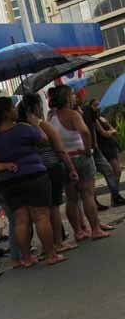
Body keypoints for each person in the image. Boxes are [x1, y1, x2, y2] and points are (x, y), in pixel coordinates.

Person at [0, 97, 66, 267]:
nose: (15, 111)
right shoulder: (23, 128)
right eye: (13, 108)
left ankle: (26, 258)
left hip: (9, 182)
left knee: (20, 221)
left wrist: (5, 165)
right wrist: (35, 124)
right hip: (34, 176)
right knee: (41, 216)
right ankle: (51, 254)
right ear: (7, 113)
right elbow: (44, 140)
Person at [17, 93, 78, 253]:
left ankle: (47, 246)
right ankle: (58, 242)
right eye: (40, 104)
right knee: (53, 207)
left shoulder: (19, 128)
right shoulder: (41, 125)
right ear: (35, 107)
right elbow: (60, 150)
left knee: (40, 213)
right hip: (51, 168)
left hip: (31, 173)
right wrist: (71, 168)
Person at [48, 86, 109, 242]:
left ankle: (78, 232)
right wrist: (88, 149)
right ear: (66, 98)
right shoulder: (73, 115)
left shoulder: (51, 118)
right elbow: (85, 131)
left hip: (65, 159)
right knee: (87, 194)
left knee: (72, 199)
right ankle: (95, 229)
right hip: (81, 156)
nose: (74, 97)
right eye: (71, 95)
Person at [86, 100, 125, 208]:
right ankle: (114, 195)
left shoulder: (103, 118)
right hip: (104, 147)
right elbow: (105, 133)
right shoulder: (94, 120)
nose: (98, 107)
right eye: (95, 105)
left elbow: (112, 130)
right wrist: (111, 132)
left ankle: (115, 194)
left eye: (99, 105)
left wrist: (111, 131)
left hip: (111, 146)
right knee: (113, 170)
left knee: (117, 171)